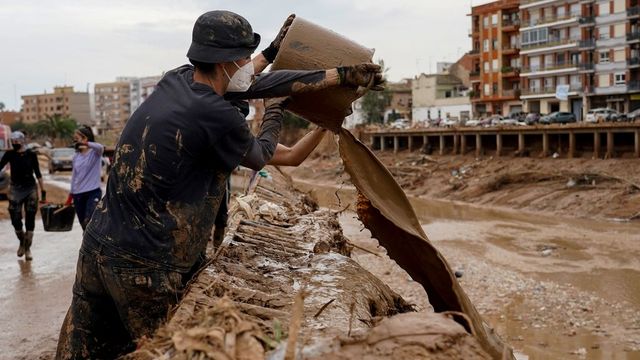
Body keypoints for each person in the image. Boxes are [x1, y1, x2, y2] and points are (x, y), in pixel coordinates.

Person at [56, 10, 383, 359]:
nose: (248, 65)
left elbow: (252, 81)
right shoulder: (215, 114)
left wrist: (328, 72)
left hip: (98, 245)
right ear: (226, 62)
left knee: (83, 351)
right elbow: (261, 152)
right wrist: (275, 110)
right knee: (163, 350)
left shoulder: (177, 80)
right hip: (146, 266)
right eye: (244, 58)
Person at [0, 131, 46, 261]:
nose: (14, 144)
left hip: (30, 188)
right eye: (13, 142)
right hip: (15, 188)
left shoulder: (31, 155)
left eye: (17, 141)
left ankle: (27, 248)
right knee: (15, 216)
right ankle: (22, 241)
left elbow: (38, 173)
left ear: (22, 141)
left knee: (30, 217)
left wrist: (43, 192)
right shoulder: (9, 154)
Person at [65, 125, 104, 230]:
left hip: (93, 192)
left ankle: (94, 245)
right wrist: (71, 195)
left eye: (77, 138)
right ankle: (88, 245)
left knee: (90, 221)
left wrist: (86, 144)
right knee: (84, 225)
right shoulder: (76, 156)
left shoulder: (95, 153)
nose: (75, 141)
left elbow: (100, 147)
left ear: (85, 138)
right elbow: (74, 176)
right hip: (78, 194)